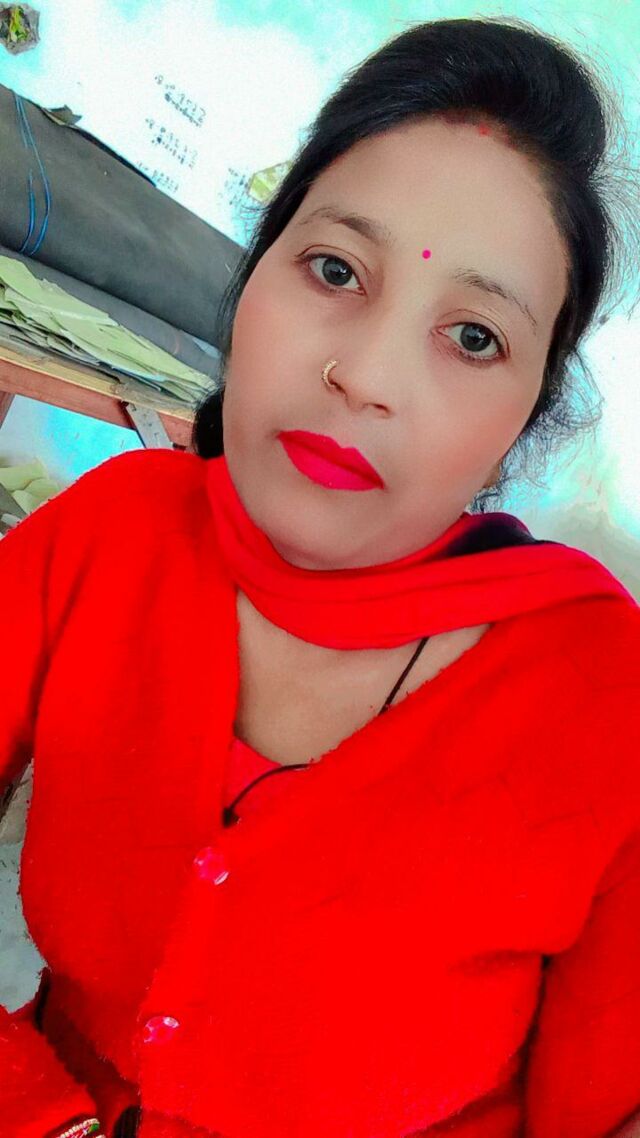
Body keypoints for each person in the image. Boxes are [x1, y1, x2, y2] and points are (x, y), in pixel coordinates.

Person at [1, 14, 640, 1138]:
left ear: (522, 424)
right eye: (335, 269)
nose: (365, 373)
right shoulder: (108, 532)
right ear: (255, 275)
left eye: (474, 337)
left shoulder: (607, 703)